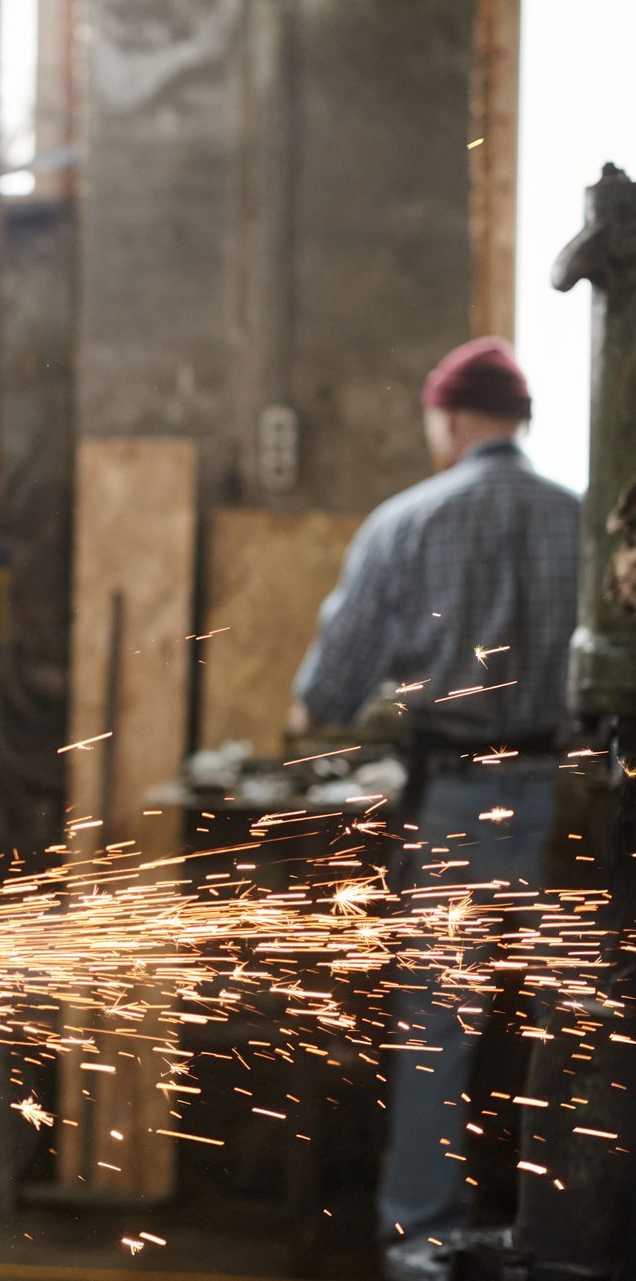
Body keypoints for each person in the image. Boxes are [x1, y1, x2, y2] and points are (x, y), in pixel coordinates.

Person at [288, 337, 579, 1281]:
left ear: (449, 420)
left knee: (436, 1032)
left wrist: (318, 717)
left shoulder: (406, 521)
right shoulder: (584, 521)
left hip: (456, 804)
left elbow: (327, 693)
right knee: (573, 1030)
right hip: (570, 805)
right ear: (521, 418)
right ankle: (574, 1235)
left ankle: (424, 1241)